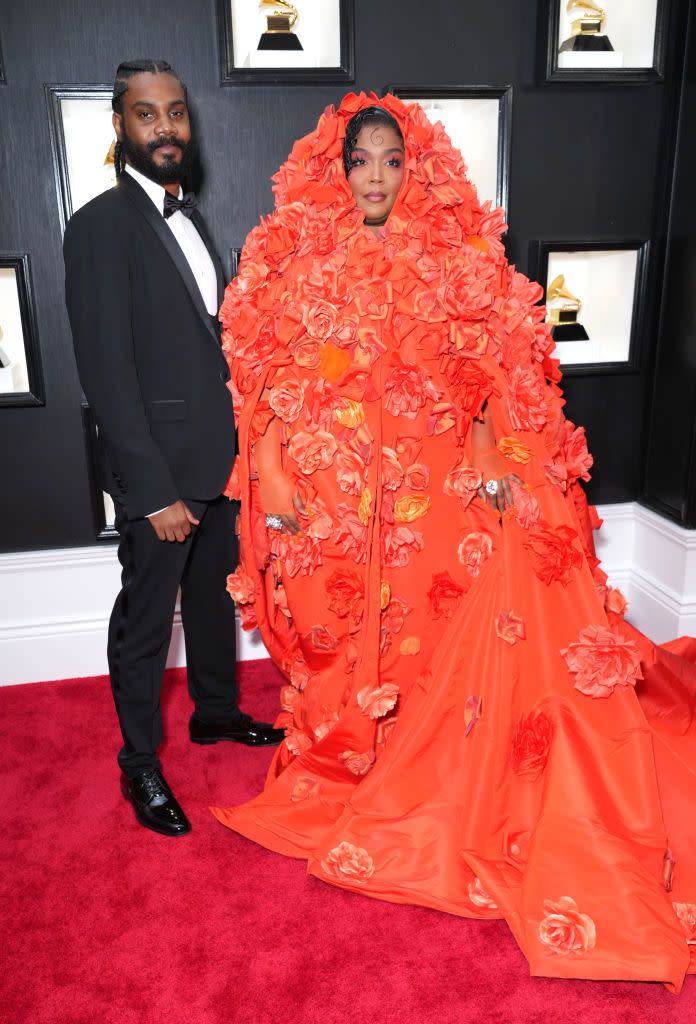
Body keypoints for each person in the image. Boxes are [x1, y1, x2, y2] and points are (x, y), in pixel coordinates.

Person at [212, 92, 696, 988]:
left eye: (393, 161)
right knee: (333, 630)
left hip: (430, 490)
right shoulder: (294, 261)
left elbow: (489, 381)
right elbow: (268, 382)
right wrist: (276, 481)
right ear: (336, 167)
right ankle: (353, 754)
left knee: (433, 636)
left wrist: (493, 458)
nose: (376, 177)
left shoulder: (457, 257)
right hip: (335, 490)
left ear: (417, 168)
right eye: (361, 160)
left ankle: (416, 770)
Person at [63, 59, 283, 839]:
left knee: (220, 599)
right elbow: (107, 373)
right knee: (147, 622)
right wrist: (152, 491)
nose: (167, 128)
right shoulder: (98, 226)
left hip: (215, 460)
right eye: (148, 115)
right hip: (162, 474)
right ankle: (139, 765)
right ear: (121, 126)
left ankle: (216, 713)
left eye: (177, 114)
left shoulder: (192, 216)